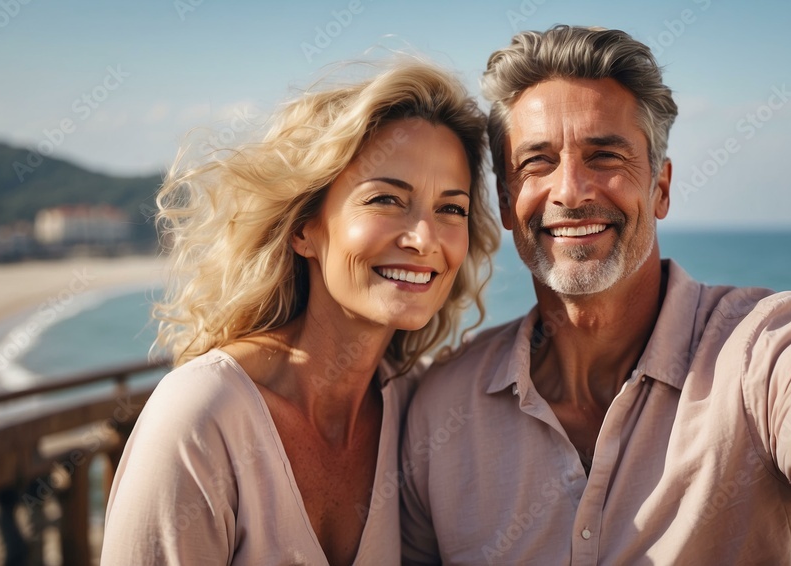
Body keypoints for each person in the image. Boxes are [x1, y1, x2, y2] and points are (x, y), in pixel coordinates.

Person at [400, 25, 791, 565]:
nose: (570, 190)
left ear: (660, 187)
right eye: (537, 162)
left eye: (606, 156)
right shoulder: (440, 409)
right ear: (504, 202)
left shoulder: (770, 353)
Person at [101, 60, 498, 565]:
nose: (424, 239)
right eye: (386, 199)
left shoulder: (417, 413)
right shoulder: (201, 417)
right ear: (303, 228)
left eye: (451, 209)